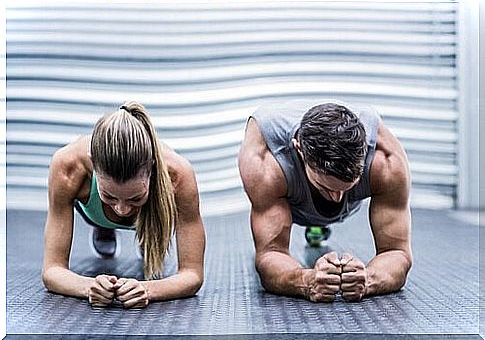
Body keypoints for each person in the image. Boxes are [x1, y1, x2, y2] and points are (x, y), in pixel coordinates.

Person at [238, 99, 412, 302]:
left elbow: (397, 252)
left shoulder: (387, 161)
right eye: (326, 187)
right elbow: (270, 254)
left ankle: (319, 220)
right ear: (299, 150)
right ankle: (315, 222)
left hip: (326, 190)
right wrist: (306, 280)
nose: (337, 199)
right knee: (294, 208)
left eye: (347, 186)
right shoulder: (265, 162)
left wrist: (368, 279)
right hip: (294, 198)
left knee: (329, 206)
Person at [42, 101, 205, 308]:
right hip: (92, 211)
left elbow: (192, 274)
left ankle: (145, 228)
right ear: (93, 165)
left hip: (152, 211)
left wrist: (146, 289)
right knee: (108, 206)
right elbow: (52, 270)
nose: (122, 209)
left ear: (152, 168)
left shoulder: (177, 174)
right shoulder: (68, 166)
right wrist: (89, 286)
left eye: (135, 198)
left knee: (148, 246)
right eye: (109, 196)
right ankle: (103, 223)